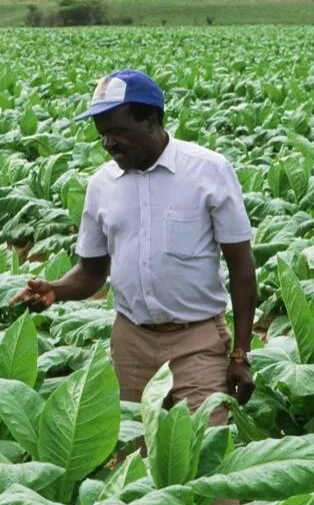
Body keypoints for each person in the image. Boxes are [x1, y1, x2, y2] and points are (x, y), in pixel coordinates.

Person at [13, 70, 257, 420]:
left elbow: (242, 267)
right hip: (131, 343)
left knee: (202, 443)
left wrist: (241, 354)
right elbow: (91, 272)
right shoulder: (101, 184)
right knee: (135, 448)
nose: (108, 143)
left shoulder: (208, 170)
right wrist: (56, 290)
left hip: (196, 340)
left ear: (152, 122)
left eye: (118, 131)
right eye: (102, 134)